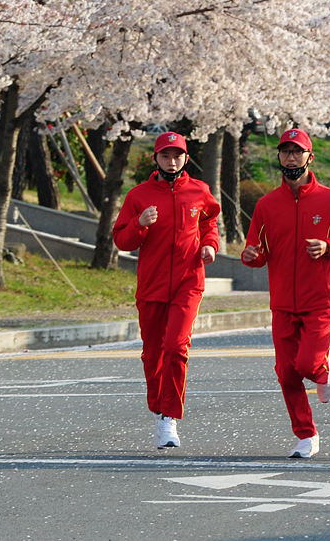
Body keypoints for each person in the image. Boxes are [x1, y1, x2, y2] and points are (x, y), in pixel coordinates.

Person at [240, 128, 330, 458]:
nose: (291, 157)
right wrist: (252, 257)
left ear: (310, 157)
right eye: (285, 151)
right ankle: (306, 435)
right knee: (286, 372)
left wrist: (328, 246)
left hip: (321, 297)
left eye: (298, 152)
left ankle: (322, 369)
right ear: (279, 156)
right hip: (282, 300)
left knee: (307, 364)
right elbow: (257, 248)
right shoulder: (266, 204)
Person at [112, 131, 220, 449]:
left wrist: (211, 245)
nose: (171, 162)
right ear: (155, 159)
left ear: (186, 158)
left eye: (177, 156)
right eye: (165, 156)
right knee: (153, 354)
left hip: (189, 281)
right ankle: (160, 410)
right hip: (152, 285)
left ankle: (168, 418)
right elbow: (122, 241)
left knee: (176, 346)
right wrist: (140, 223)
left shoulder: (199, 190)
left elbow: (209, 221)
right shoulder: (139, 195)